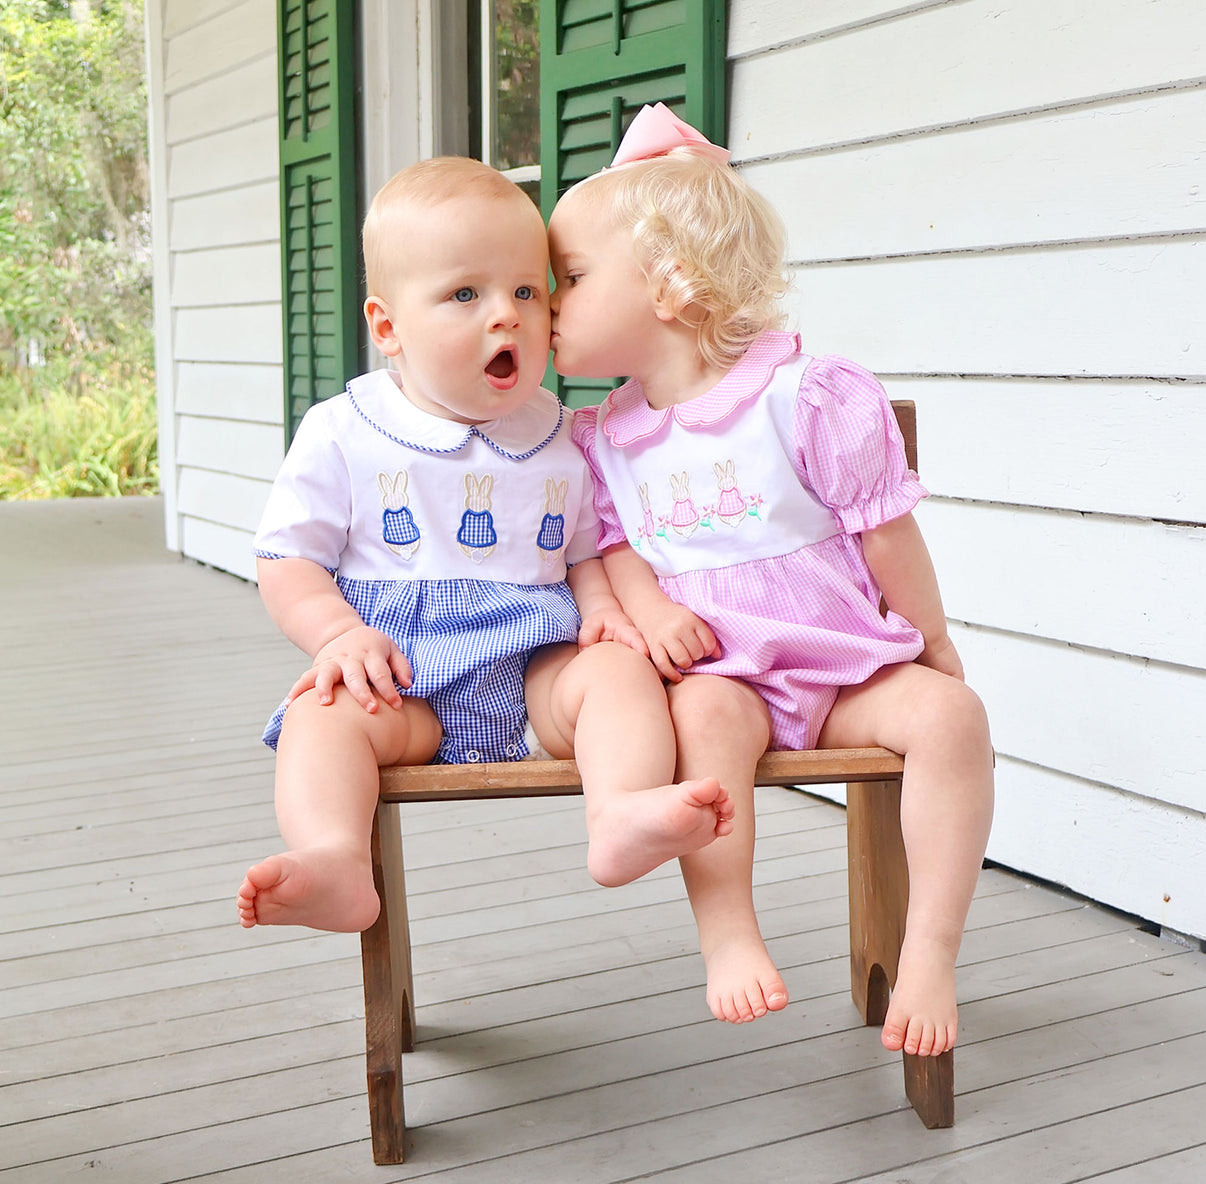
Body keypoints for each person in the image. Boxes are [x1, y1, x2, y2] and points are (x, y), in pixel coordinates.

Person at [547, 104, 995, 1053]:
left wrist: (936, 642)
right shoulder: (601, 440)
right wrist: (652, 605)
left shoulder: (806, 396)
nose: (549, 302)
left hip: (843, 669)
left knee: (954, 718)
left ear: (667, 285)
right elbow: (614, 545)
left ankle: (930, 948)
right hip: (721, 674)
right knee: (705, 721)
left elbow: (886, 536)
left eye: (571, 278)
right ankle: (728, 934)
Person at [237, 156, 735, 936]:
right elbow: (286, 556)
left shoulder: (567, 435)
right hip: (402, 684)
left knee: (615, 674)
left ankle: (620, 812)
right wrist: (336, 636)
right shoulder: (345, 430)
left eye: (528, 291)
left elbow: (584, 551)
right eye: (465, 294)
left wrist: (603, 612)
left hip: (537, 672)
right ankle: (335, 860)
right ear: (388, 326)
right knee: (321, 716)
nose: (506, 314)